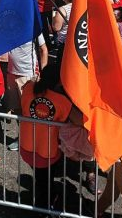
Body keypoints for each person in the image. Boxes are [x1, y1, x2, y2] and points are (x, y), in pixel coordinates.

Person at [18, 63, 78, 210]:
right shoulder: (62, 101)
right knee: (45, 182)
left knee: (41, 177)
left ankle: (43, 198)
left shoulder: (28, 88)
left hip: (26, 147)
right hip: (47, 152)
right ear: (59, 82)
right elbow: (80, 121)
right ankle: (44, 206)